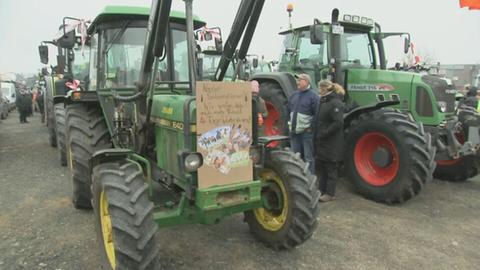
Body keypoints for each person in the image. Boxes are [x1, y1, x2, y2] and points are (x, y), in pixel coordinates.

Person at [314, 79, 345, 202]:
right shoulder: (324, 102)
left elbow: (338, 122)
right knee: (322, 166)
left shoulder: (335, 103)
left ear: (325, 88)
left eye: (320, 88)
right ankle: (321, 190)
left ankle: (330, 193)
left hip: (332, 142)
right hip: (322, 141)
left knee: (331, 168)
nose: (319, 91)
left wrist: (324, 132)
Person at [287, 74, 319, 174]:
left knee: (308, 157)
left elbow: (317, 114)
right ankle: (296, 176)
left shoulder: (313, 96)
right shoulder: (294, 95)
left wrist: (311, 128)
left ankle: (310, 179)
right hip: (294, 132)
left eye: (300, 80)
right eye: (298, 80)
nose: (298, 82)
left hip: (306, 132)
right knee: (294, 157)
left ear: (307, 82)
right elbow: (288, 110)